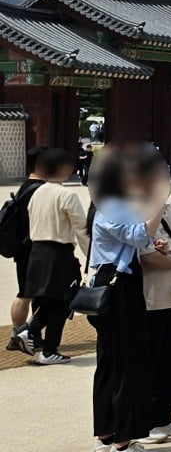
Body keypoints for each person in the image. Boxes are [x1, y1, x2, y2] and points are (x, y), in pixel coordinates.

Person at [88, 143, 170, 452]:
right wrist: (160, 204)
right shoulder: (115, 204)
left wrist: (152, 240)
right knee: (129, 365)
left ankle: (106, 436)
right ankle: (124, 444)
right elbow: (137, 234)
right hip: (120, 286)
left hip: (110, 282)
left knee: (110, 363)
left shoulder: (107, 202)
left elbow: (134, 239)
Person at [14, 149, 89, 364]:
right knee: (63, 300)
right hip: (59, 252)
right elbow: (81, 228)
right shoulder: (67, 195)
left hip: (38, 251)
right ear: (64, 169)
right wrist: (91, 255)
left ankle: (30, 332)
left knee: (50, 299)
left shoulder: (37, 192)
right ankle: (48, 347)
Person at [137, 194, 171, 445]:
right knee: (152, 362)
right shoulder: (135, 207)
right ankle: (147, 419)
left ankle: (164, 416)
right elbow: (148, 256)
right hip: (152, 297)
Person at [6, 146, 47, 351]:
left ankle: (19, 334)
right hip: (34, 248)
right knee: (29, 294)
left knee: (26, 292)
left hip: (23, 248)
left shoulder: (25, 186)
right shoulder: (39, 189)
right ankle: (22, 336)